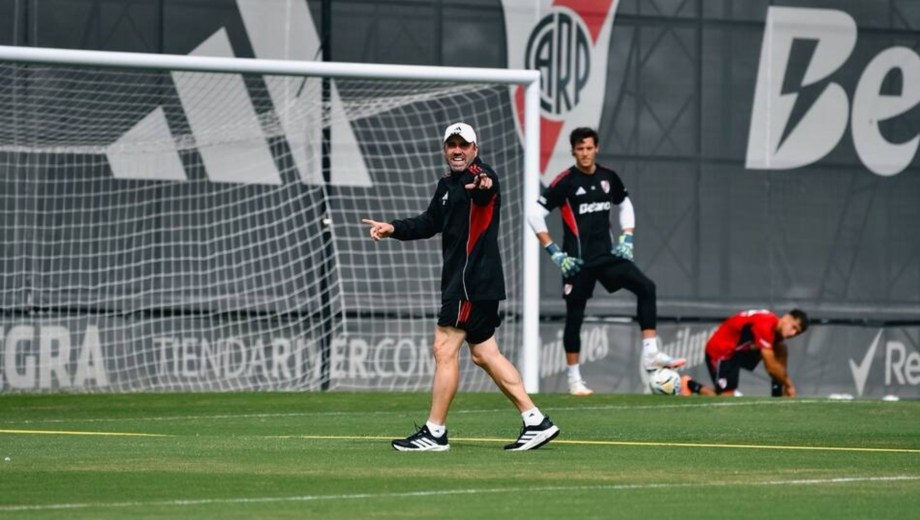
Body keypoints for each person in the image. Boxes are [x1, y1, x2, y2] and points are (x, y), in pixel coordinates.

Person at [362, 122, 559, 452]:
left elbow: (486, 187)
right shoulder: (445, 185)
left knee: (443, 348)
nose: (457, 150)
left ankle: (435, 432)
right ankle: (535, 420)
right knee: (484, 354)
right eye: (451, 144)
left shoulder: (482, 176)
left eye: (463, 145)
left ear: (474, 149)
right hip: (473, 282)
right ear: (444, 149)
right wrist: (392, 228)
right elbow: (429, 222)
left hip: (470, 282)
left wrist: (481, 183)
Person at [526, 127, 685, 396]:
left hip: (606, 256)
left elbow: (625, 205)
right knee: (574, 316)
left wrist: (628, 238)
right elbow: (534, 213)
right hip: (576, 262)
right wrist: (554, 251)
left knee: (647, 287)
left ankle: (650, 353)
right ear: (574, 151)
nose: (585, 153)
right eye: (579, 148)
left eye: (589, 148)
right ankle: (575, 380)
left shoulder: (608, 177)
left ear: (596, 148)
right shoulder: (565, 181)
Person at [680, 309, 809, 397]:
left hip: (739, 351)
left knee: (780, 348)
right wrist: (789, 385)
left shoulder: (777, 332)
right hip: (721, 351)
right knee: (725, 398)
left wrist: (784, 384)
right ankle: (690, 385)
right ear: (786, 317)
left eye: (796, 332)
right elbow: (771, 367)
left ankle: (777, 396)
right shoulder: (765, 324)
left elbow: (779, 363)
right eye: (793, 327)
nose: (792, 333)